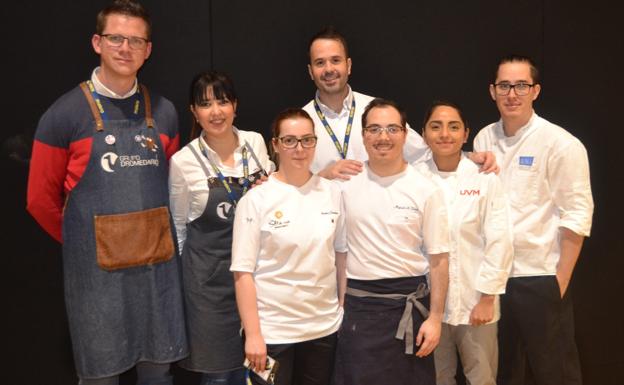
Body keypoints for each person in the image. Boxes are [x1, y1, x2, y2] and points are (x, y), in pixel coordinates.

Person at [26, 1, 187, 383]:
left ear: (148, 50)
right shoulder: (63, 115)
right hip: (97, 282)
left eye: (135, 40)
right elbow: (38, 200)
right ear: (97, 42)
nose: (125, 48)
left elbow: (174, 191)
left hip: (156, 274)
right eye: (116, 38)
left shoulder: (164, 112)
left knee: (158, 373)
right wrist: (87, 241)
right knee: (101, 376)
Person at [473, 55, 594, 385]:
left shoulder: (561, 143)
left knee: (554, 373)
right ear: (492, 91)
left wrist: (559, 281)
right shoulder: (483, 139)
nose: (512, 93)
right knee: (503, 372)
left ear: (535, 91)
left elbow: (578, 214)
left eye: (521, 85)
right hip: (493, 280)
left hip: (540, 277)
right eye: (504, 86)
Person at [334, 98, 449, 385]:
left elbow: (439, 260)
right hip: (359, 310)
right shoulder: (345, 187)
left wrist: (435, 319)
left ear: (405, 134)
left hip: (411, 308)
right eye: (374, 129)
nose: (383, 137)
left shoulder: (425, 189)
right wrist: (339, 307)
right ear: (363, 136)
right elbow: (340, 254)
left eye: (391, 129)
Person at [168, 71, 273, 385]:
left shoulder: (255, 143)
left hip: (259, 280)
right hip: (209, 288)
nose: (216, 112)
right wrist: (199, 276)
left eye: (223, 101)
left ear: (235, 106)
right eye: (205, 104)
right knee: (219, 376)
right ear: (194, 112)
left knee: (259, 372)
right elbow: (178, 228)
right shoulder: (183, 162)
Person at [231, 108, 344, 385]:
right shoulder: (256, 200)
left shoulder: (332, 193)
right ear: (276, 145)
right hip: (272, 334)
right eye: (289, 140)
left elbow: (340, 255)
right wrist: (254, 334)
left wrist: (341, 308)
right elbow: (242, 273)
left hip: (322, 329)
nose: (299, 149)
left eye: (307, 140)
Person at [302, 26, 496, 180]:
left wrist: (467, 157)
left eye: (336, 60)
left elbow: (424, 154)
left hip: (376, 222)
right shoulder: (301, 121)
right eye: (320, 63)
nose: (329, 69)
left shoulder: (378, 110)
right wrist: (322, 176)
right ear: (311, 71)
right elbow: (290, 186)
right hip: (324, 226)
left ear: (349, 65)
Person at [415, 101, 513, 385]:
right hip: (429, 305)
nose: (445, 134)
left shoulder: (484, 179)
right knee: (436, 379)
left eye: (453, 126)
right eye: (436, 126)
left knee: (481, 378)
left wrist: (487, 297)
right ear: (423, 134)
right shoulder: (414, 179)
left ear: (466, 133)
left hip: (475, 303)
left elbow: (500, 239)